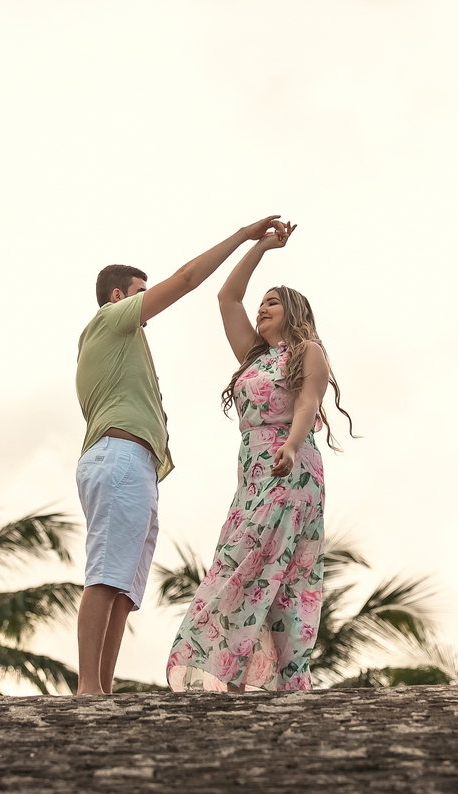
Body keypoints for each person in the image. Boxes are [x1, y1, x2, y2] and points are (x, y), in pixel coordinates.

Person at [74, 215, 286, 696]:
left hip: (136, 463)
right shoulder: (110, 321)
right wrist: (243, 237)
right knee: (107, 574)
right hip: (119, 456)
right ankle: (88, 688)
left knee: (125, 590)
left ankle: (101, 688)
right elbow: (188, 280)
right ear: (117, 297)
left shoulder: (126, 343)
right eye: (139, 294)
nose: (147, 307)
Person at [166, 221, 355, 691]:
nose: (261, 308)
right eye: (262, 303)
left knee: (268, 569)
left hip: (291, 470)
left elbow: (309, 403)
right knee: (243, 563)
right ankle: (236, 677)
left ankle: (251, 679)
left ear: (293, 312)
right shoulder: (254, 357)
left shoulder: (307, 351)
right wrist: (261, 245)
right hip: (252, 477)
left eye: (272, 302)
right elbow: (227, 298)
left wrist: (291, 445)